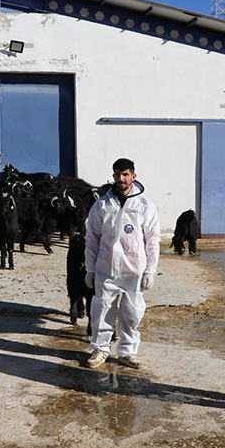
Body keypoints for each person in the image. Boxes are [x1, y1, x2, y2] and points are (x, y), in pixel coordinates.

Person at [84, 158, 161, 369]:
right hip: (106, 270)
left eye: (125, 174)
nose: (121, 179)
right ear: (113, 176)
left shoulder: (145, 205)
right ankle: (100, 349)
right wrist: (90, 269)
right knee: (101, 310)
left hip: (134, 271)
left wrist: (150, 271)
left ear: (133, 176)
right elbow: (92, 239)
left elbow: (152, 240)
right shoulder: (101, 205)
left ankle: (127, 352)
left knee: (132, 313)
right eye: (117, 174)